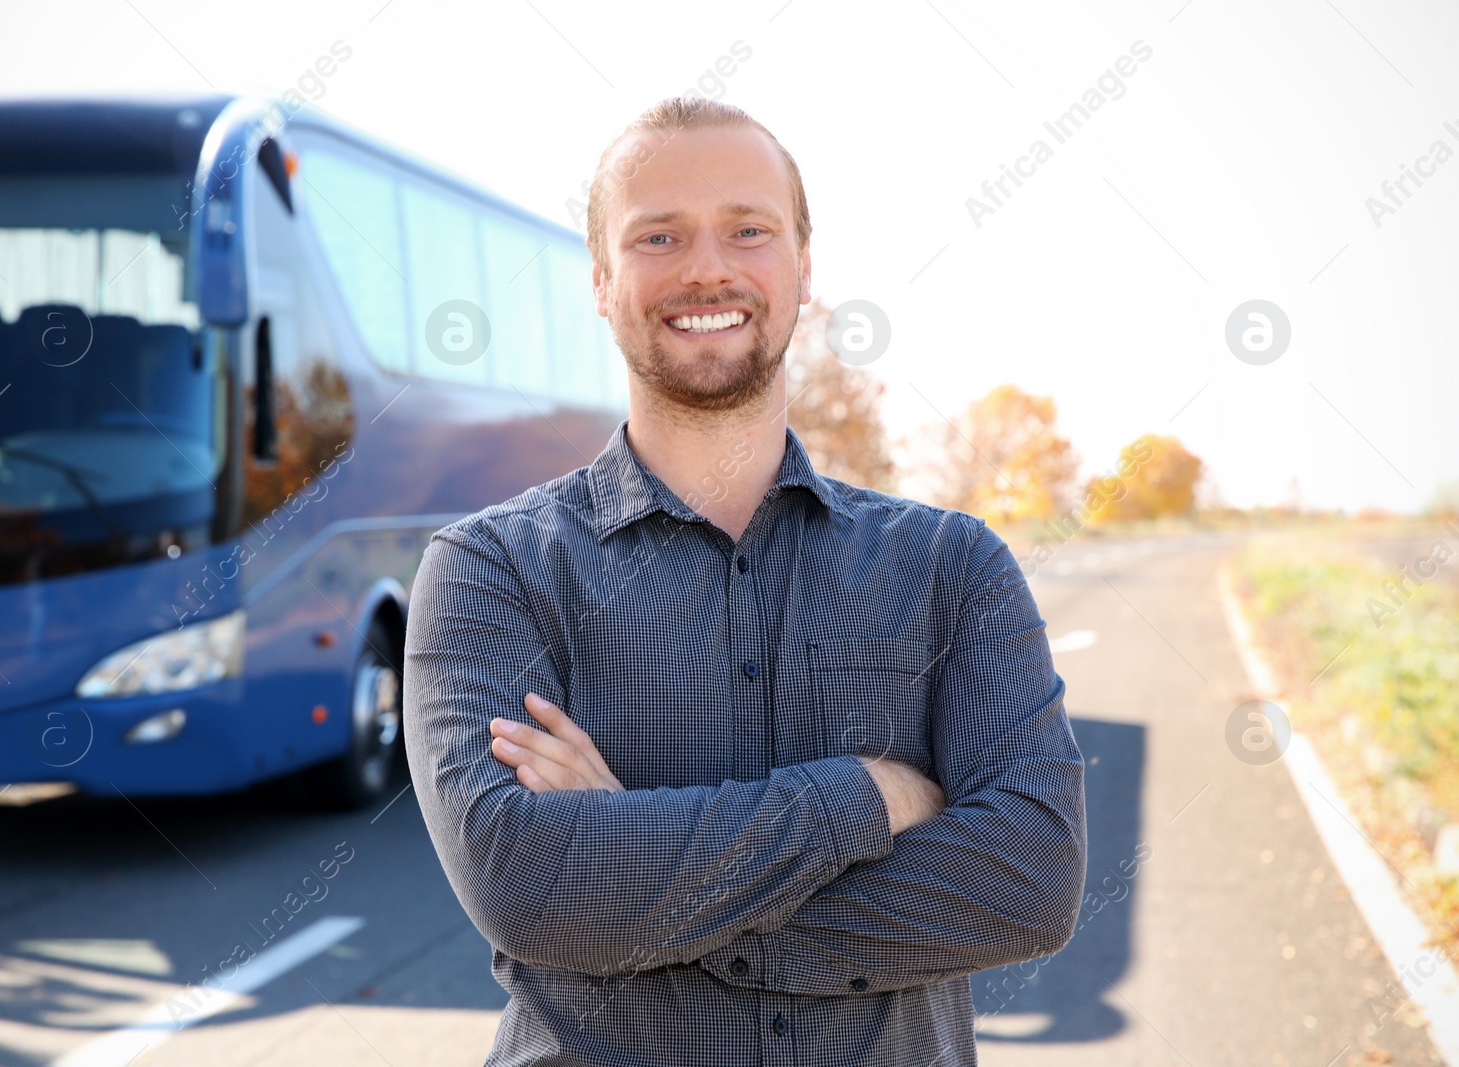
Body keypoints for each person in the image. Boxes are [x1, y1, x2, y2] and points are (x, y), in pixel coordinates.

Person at [404, 96, 1086, 1067]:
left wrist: (636, 881)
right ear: (601, 279)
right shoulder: (490, 568)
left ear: (804, 268)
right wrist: (863, 795)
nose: (706, 267)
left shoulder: (951, 566)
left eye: (747, 229)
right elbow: (532, 888)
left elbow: (1029, 880)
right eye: (658, 235)